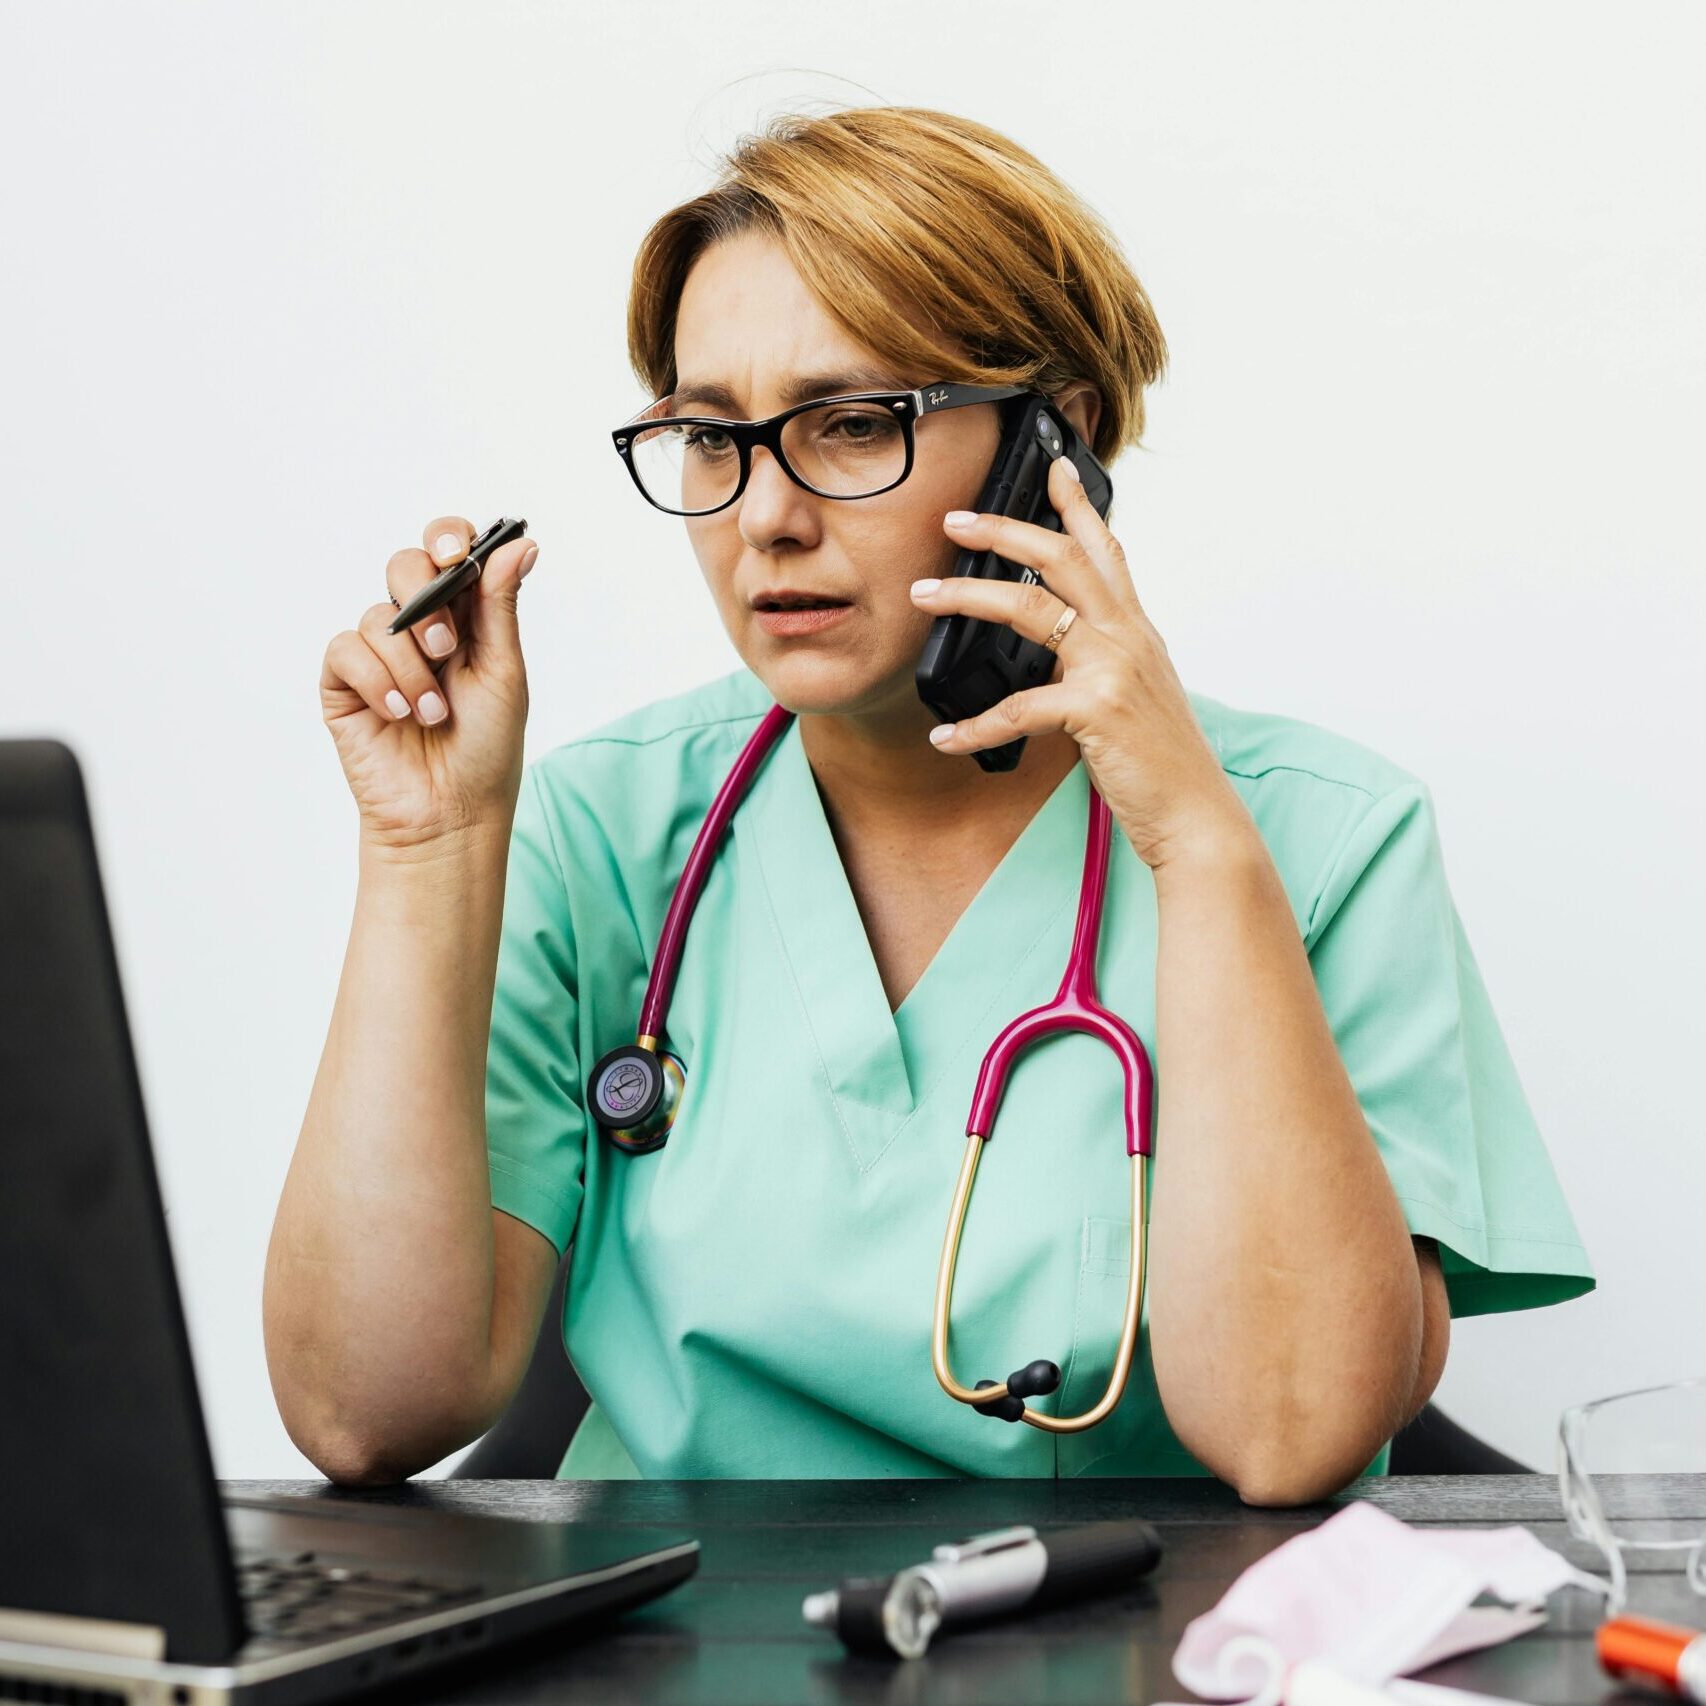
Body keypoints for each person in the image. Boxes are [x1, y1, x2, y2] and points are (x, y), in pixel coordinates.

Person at [265, 106, 1594, 1500]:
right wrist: (429, 847)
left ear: (1055, 450)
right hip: (660, 1646)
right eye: (710, 440)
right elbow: (363, 1413)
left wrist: (1197, 850)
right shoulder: (600, 832)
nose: (763, 516)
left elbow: (1292, 1435)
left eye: (850, 426)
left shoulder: (1322, 836)